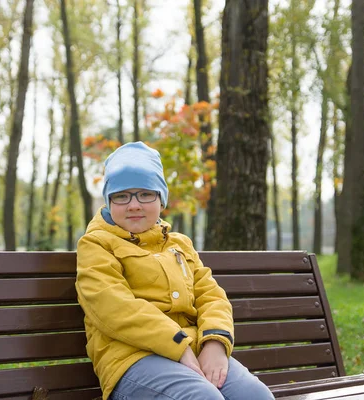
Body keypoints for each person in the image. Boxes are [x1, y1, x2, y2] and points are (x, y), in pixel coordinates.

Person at [76, 142, 275, 400]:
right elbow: (112, 307)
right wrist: (178, 346)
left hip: (194, 350)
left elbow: (211, 296)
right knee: (203, 398)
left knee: (255, 395)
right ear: (109, 200)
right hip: (131, 359)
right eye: (121, 195)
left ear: (161, 199)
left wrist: (215, 343)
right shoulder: (97, 244)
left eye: (145, 194)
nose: (134, 205)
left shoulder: (180, 245)